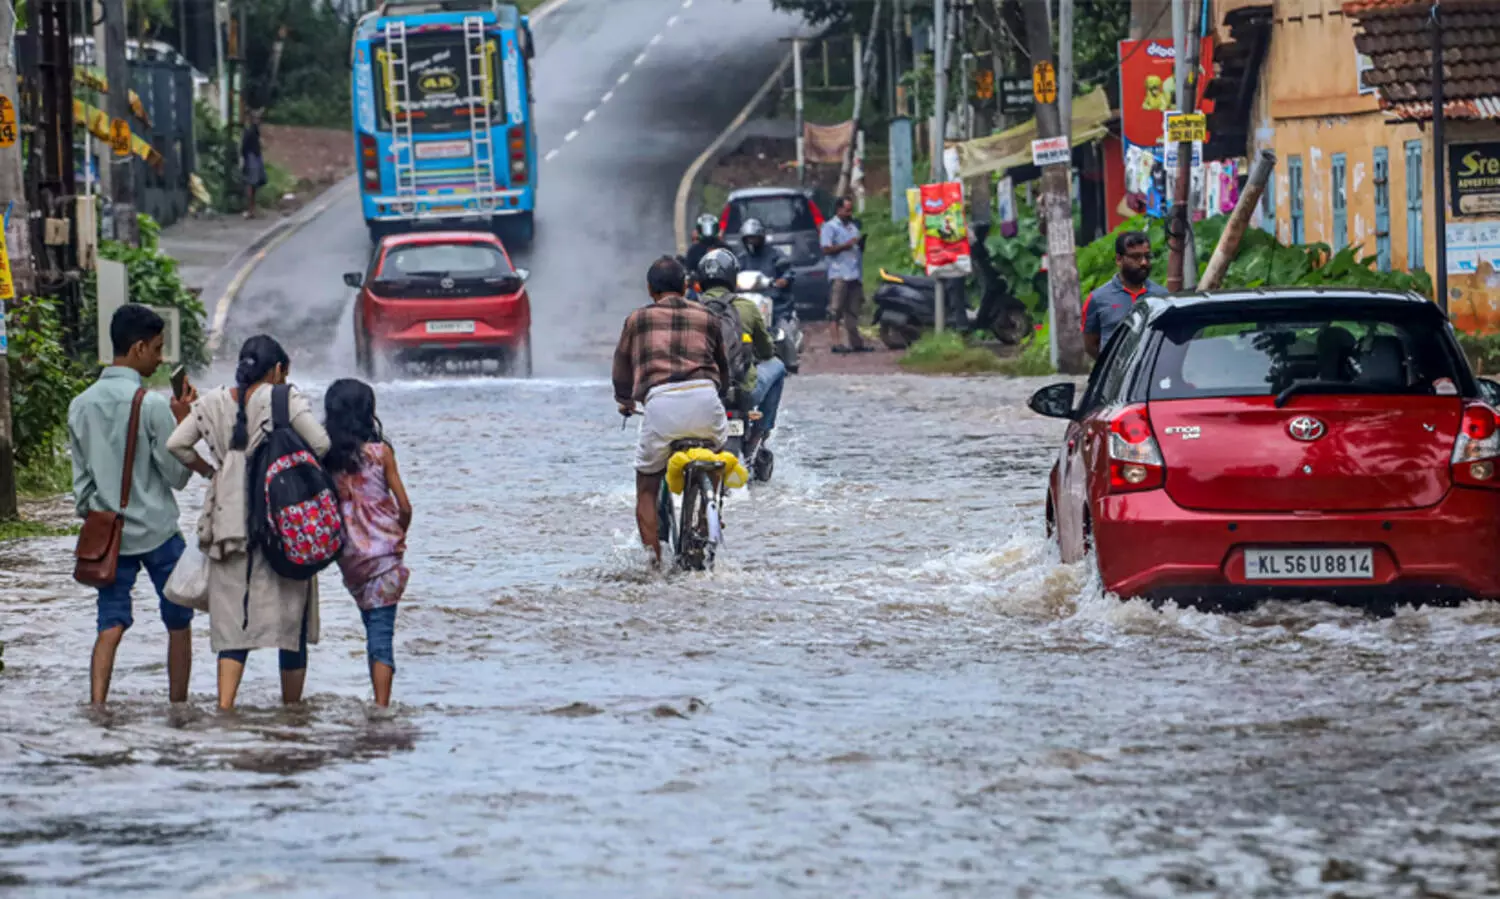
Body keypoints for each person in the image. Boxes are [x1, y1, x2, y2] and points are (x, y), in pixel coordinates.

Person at [167, 336, 331, 710]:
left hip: (228, 522)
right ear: (277, 370)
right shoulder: (283, 399)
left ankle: (225, 710)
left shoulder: (209, 403)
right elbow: (320, 444)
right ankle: (292, 715)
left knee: (232, 625)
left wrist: (213, 471)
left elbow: (176, 444)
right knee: (292, 626)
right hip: (281, 519)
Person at [69, 304, 199, 706]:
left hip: (109, 536)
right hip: (159, 532)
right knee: (179, 622)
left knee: (109, 624)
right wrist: (183, 423)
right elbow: (177, 477)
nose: (160, 359)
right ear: (139, 347)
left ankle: (97, 708)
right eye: (158, 349)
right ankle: (178, 708)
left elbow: (82, 488)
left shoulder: (81, 404)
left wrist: (104, 510)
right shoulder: (155, 405)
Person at [612, 256, 731, 563]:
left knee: (648, 486)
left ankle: (653, 564)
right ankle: (707, 516)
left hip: (661, 405)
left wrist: (625, 399)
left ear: (651, 289)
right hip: (706, 399)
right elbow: (723, 368)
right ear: (686, 287)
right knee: (716, 457)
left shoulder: (637, 319)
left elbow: (621, 368)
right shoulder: (707, 317)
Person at [324, 379, 412, 708]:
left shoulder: (328, 457)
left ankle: (378, 702)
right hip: (384, 558)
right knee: (381, 632)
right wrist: (396, 534)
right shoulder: (380, 454)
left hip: (349, 560)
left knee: (370, 624)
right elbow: (404, 506)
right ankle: (381, 706)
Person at [697, 248, 785, 443]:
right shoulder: (747, 307)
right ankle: (761, 431)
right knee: (778, 366)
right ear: (732, 276)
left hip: (700, 392)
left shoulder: (690, 309)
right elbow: (766, 351)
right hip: (742, 391)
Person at [1083, 231, 1166, 359]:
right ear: (1119, 259)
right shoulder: (1098, 299)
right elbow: (1090, 344)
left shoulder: (1162, 296)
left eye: (1147, 256)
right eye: (1136, 257)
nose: (1144, 262)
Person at [820, 196, 871, 353]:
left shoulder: (852, 227)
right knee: (835, 310)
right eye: (847, 210)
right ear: (839, 210)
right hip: (839, 273)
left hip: (854, 273)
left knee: (853, 310)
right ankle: (836, 343)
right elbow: (826, 249)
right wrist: (846, 245)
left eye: (851, 210)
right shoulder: (830, 227)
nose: (850, 213)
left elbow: (856, 248)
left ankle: (856, 343)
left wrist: (860, 245)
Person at [241, 110, 267, 219]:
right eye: (255, 118)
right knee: (252, 183)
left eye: (259, 119)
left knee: (257, 182)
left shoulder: (255, 130)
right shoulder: (250, 130)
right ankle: (250, 209)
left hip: (256, 156)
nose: (258, 120)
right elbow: (244, 147)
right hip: (252, 157)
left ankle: (252, 208)